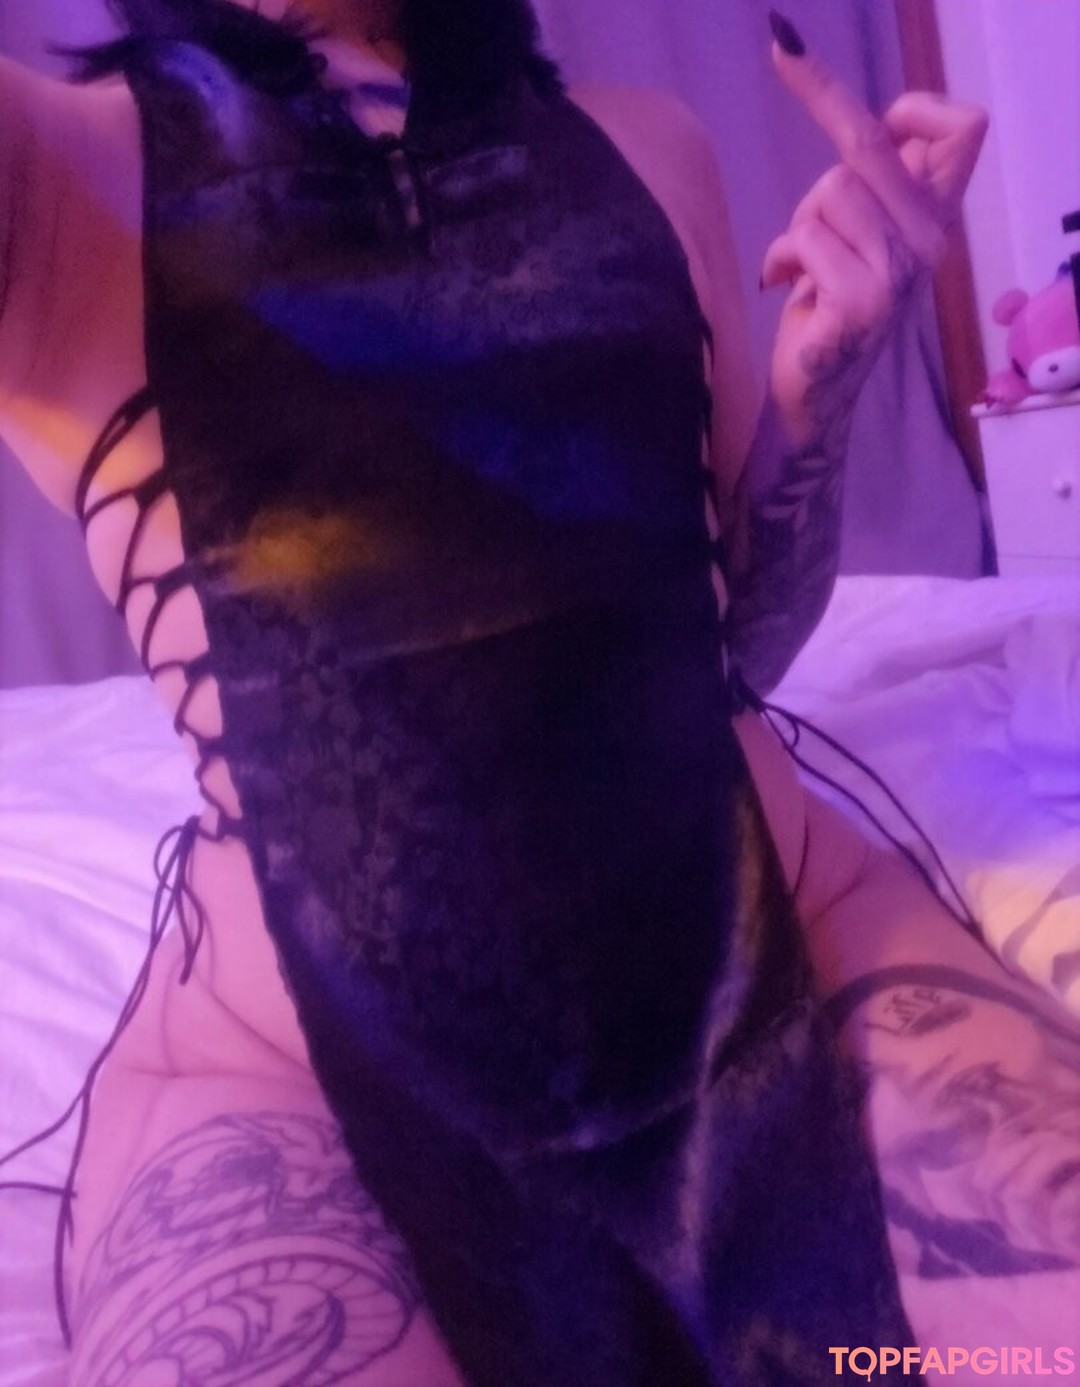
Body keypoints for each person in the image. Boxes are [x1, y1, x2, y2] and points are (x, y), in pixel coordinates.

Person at [0, 1, 1077, 1382]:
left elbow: (738, 639)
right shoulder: (61, 170)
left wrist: (823, 393)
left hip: (781, 947)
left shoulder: (651, 146)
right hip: (290, 1068)